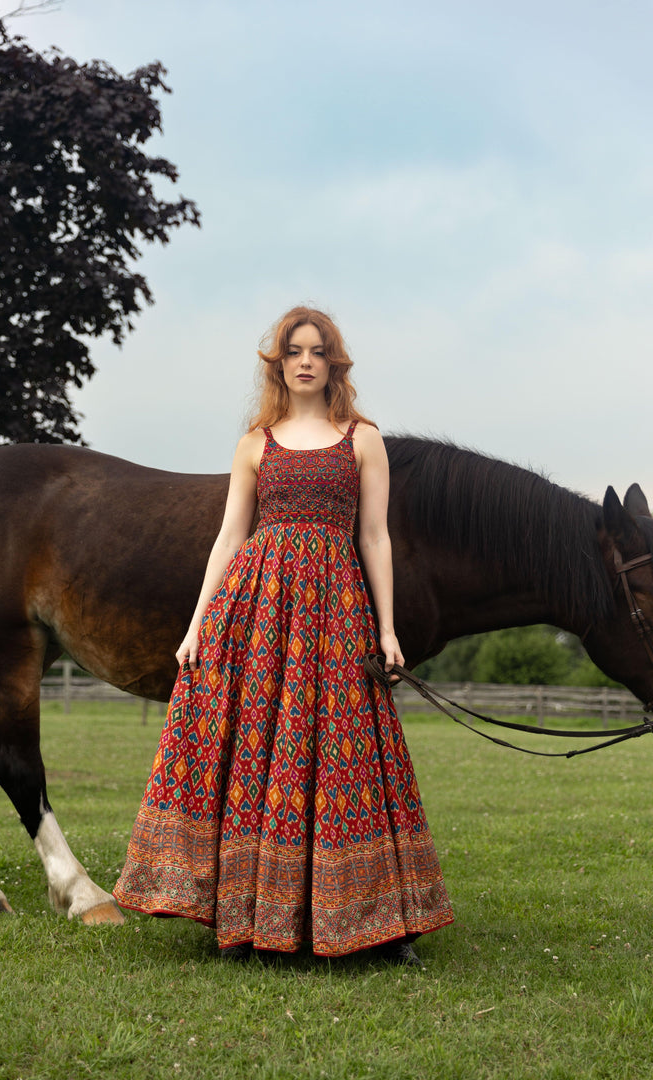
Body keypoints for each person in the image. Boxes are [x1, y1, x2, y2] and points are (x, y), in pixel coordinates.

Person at [113, 306, 453, 961]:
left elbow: (375, 537)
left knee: (347, 755)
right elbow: (229, 538)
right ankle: (241, 916)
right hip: (258, 611)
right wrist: (194, 628)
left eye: (316, 351)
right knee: (253, 755)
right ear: (279, 364)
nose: (304, 361)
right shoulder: (254, 443)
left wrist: (387, 628)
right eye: (293, 351)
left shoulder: (362, 439)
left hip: (336, 612)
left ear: (333, 364)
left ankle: (378, 924)